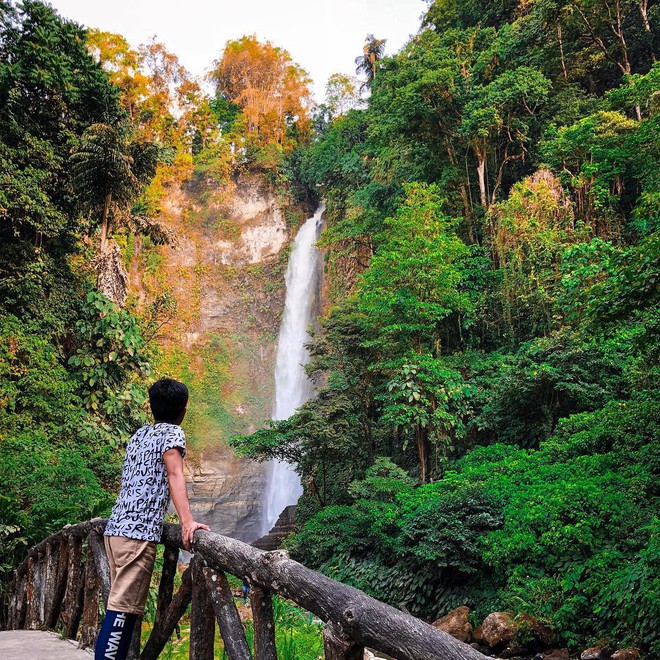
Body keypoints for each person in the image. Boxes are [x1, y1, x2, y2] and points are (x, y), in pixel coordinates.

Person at [95, 378, 210, 660]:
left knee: (122, 610)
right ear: (183, 410)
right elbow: (174, 475)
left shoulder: (139, 435)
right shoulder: (173, 434)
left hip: (116, 529)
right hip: (135, 534)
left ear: (151, 406)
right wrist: (187, 522)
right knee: (120, 614)